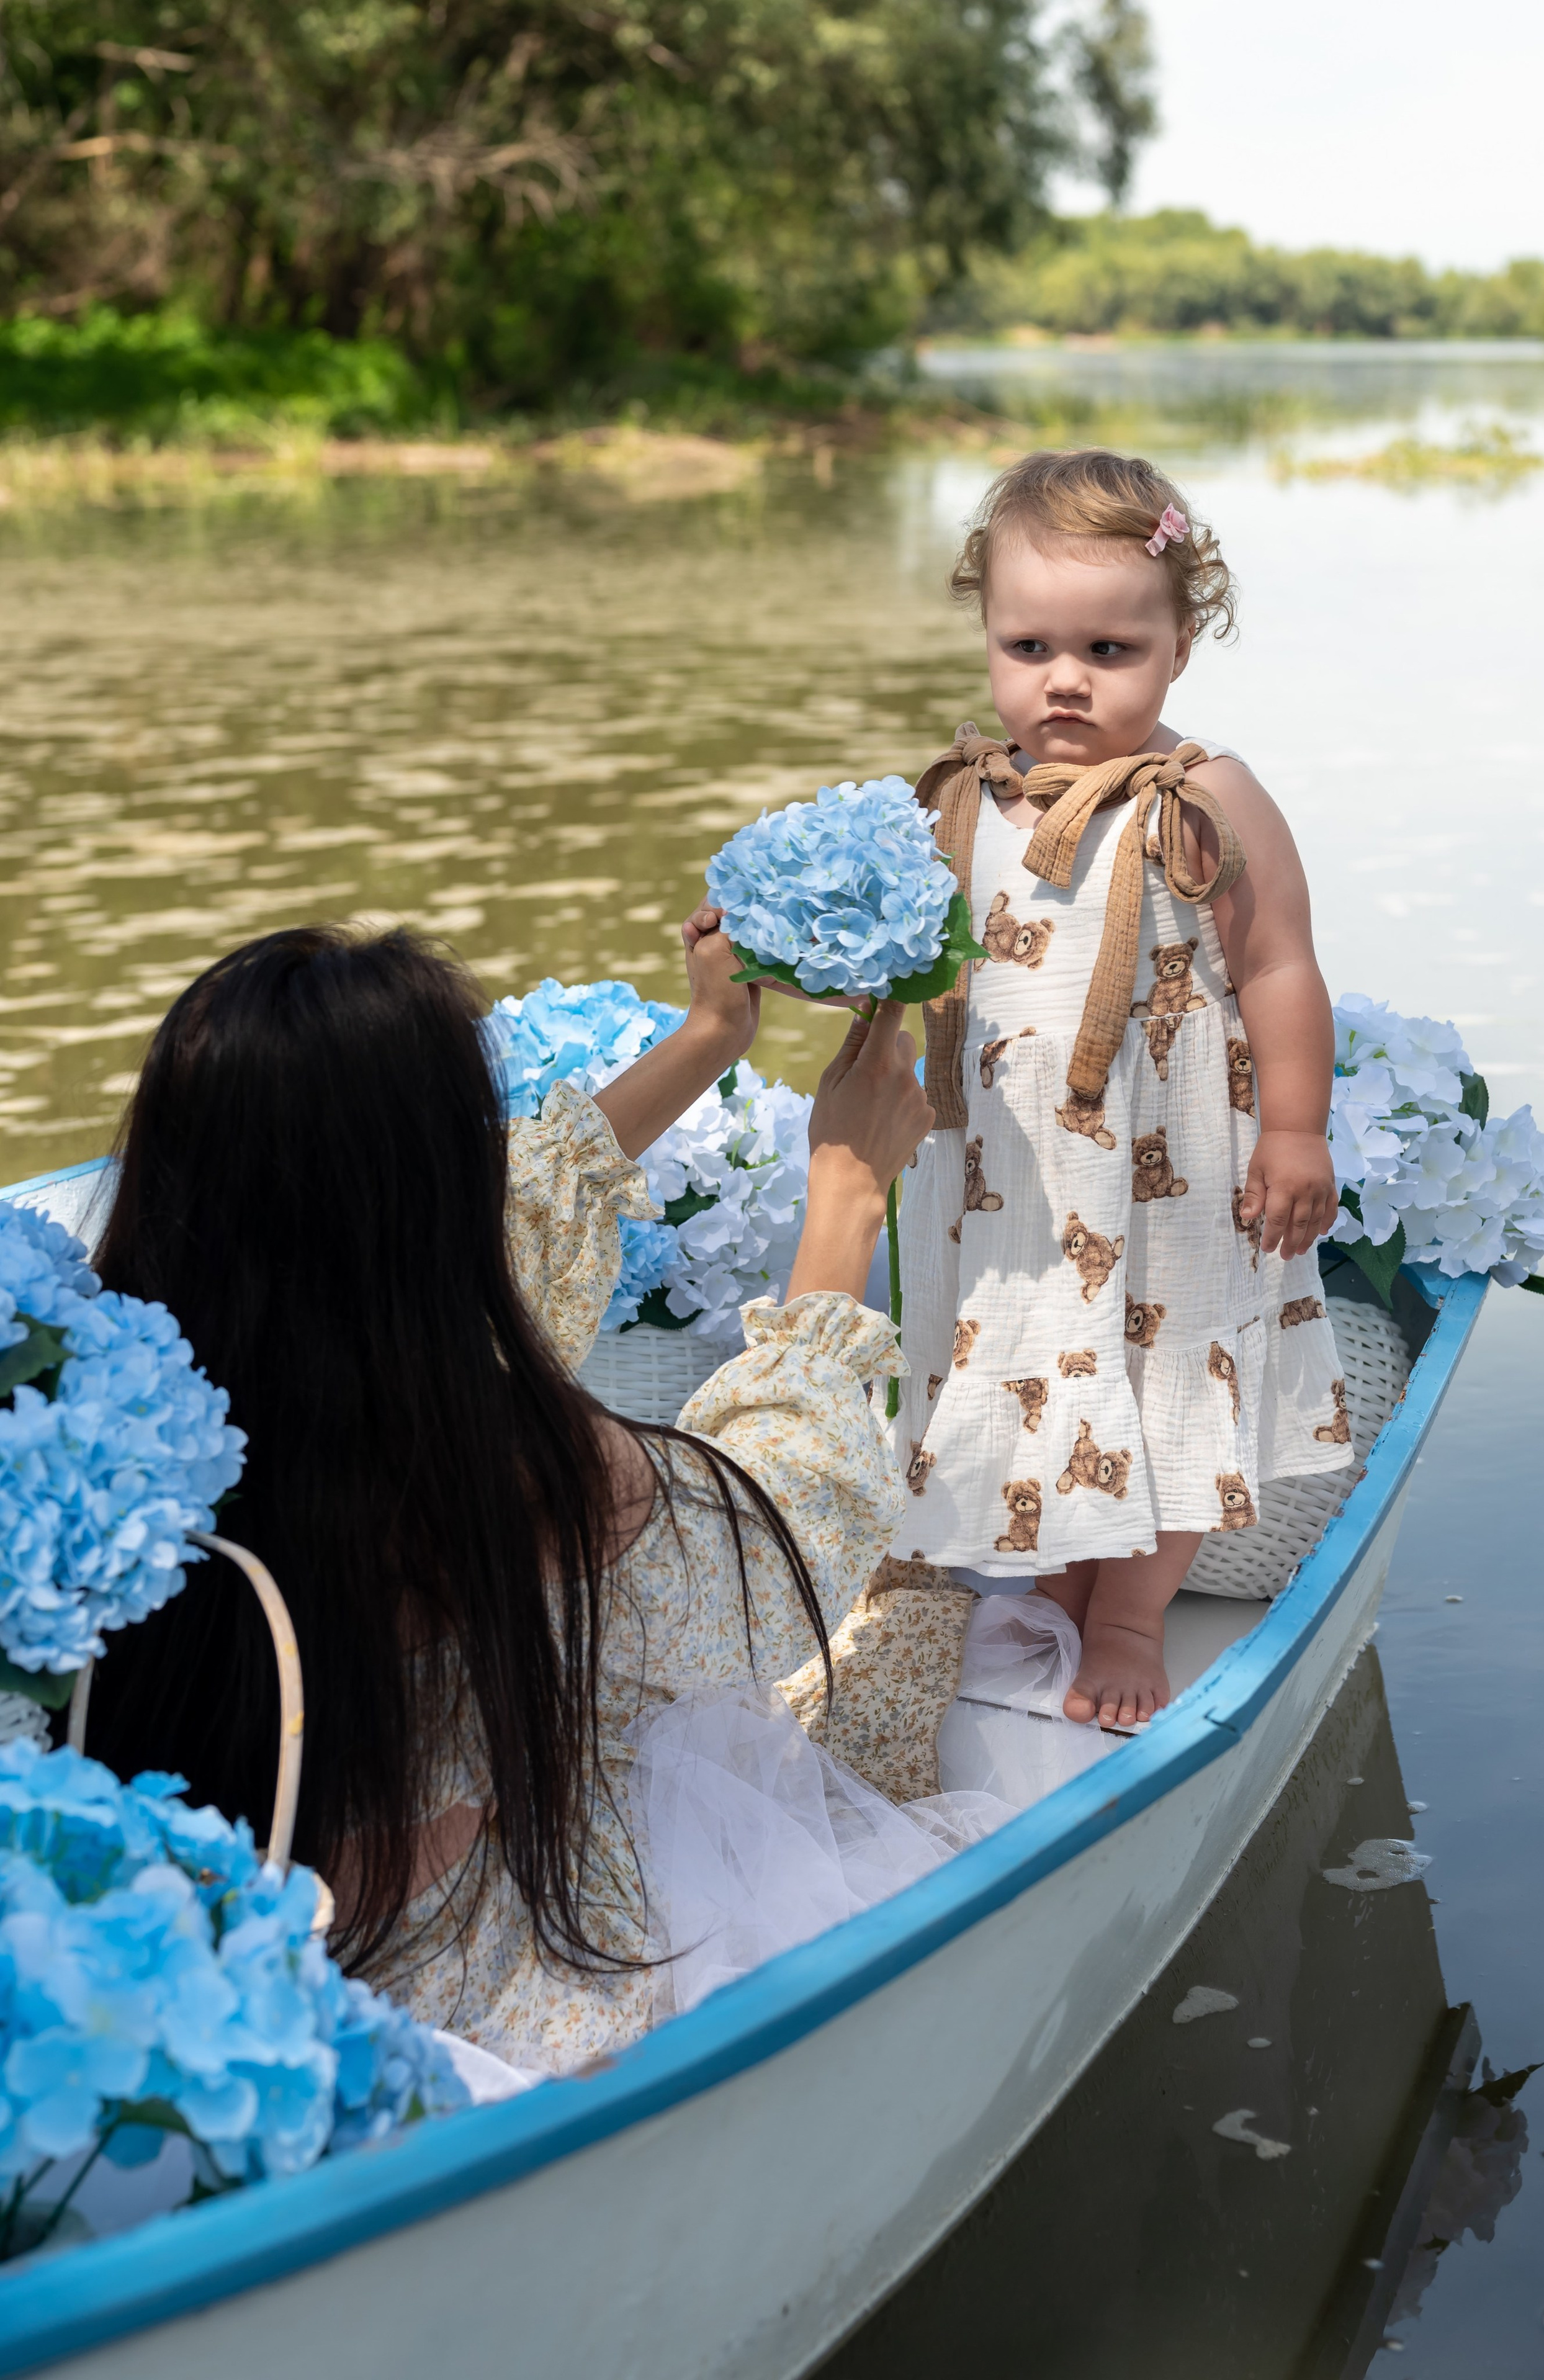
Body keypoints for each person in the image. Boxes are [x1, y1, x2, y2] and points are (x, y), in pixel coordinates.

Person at [84, 915, 1005, 2077]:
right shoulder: (497, 1472)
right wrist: (847, 1194)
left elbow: (473, 1234)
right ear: (436, 1196)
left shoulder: (109, 1381)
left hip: (204, 1925)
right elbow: (779, 1548)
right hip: (461, 1994)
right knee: (912, 1624)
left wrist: (709, 1039)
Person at [886, 447, 1352, 1734]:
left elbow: (1276, 964)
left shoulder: (1202, 797)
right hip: (1014, 1183)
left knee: (1169, 1375)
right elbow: (897, 955)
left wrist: (1298, 1128)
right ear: (985, 634)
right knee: (1031, 1365)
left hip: (1174, 1182)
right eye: (1027, 644)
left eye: (1108, 647)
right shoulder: (959, 799)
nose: (1065, 680)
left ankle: (1132, 1611)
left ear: (1178, 643)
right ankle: (1058, 1571)